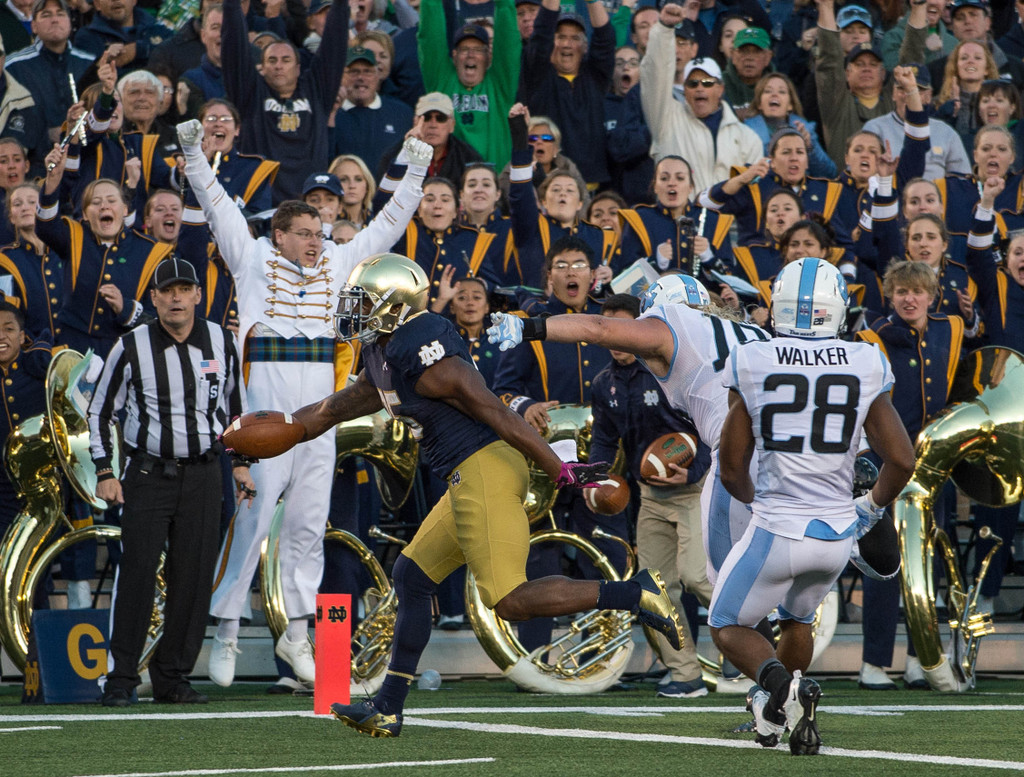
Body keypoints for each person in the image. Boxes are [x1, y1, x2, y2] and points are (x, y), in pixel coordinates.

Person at [270, 251, 684, 737]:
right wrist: (278, 429)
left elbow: (493, 408)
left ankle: (637, 595)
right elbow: (333, 407)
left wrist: (558, 467)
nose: (354, 311)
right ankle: (388, 707)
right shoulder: (384, 353)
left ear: (396, 306)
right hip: (468, 473)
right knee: (411, 577)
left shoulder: (424, 351)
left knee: (509, 600)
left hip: (484, 468)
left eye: (364, 302)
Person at [176, 117, 431, 688]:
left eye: (321, 233)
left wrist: (415, 168)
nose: (318, 242)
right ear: (280, 234)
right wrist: (192, 152)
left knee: (309, 528)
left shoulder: (341, 263)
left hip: (320, 413)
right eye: (307, 233)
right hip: (265, 407)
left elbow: (388, 226)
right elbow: (215, 203)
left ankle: (297, 634)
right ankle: (227, 629)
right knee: (253, 518)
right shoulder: (251, 257)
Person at [712, 257, 915, 754]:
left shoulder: (753, 356)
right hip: (836, 536)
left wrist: (757, 504)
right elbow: (902, 460)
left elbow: (731, 465)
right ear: (838, 309)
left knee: (725, 625)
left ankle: (783, 689)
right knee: (797, 620)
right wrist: (867, 509)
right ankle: (781, 717)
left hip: (778, 527)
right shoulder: (866, 359)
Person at [90, 256, 255, 707]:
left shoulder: (223, 341)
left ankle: (172, 677)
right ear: (155, 298)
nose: (177, 297)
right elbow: (99, 410)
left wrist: (240, 464)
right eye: (167, 290)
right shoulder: (131, 345)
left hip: (205, 474)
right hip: (147, 473)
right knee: (139, 574)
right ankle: (121, 678)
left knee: (194, 579)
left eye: (185, 289)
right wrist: (105, 470)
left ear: (199, 295)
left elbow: (235, 411)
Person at [590, 293, 714, 699]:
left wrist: (691, 470)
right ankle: (685, 674)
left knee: (698, 577)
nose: (616, 338)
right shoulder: (603, 383)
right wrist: (593, 479)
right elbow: (604, 443)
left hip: (695, 489)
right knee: (653, 589)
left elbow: (711, 427)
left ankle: (771, 633)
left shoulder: (669, 371)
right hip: (649, 494)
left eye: (625, 328)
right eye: (609, 329)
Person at [222, 0, 347, 203]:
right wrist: (231, 6)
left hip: (308, 204)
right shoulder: (250, 93)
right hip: (261, 204)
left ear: (298, 68)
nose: (278, 66)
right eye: (272, 60)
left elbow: (335, 44)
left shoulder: (317, 89)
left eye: (286, 60)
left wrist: (341, 5)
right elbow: (233, 47)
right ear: (261, 67)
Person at [641, 4, 762, 193]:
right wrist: (664, 29)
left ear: (720, 88)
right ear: (684, 90)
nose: (699, 88)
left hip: (727, 222)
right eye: (692, 83)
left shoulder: (747, 138)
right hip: (679, 220)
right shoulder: (666, 120)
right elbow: (654, 75)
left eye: (707, 82)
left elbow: (752, 195)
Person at [522, 0, 615, 188]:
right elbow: (541, 33)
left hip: (590, 187)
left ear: (585, 46)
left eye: (574, 38)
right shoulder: (537, 75)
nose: (567, 44)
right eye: (560, 37)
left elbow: (605, 38)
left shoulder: (595, 76)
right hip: (546, 185)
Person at [419, 0, 521, 171]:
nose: (470, 55)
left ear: (489, 56)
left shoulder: (500, 85)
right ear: (454, 55)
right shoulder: (442, 81)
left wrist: (504, 4)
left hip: (493, 185)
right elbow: (430, 36)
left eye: (478, 49)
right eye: (464, 49)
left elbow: (509, 39)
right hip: (451, 186)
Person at [4, 0, 93, 147]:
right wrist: (46, 134)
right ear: (33, 25)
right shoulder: (13, 66)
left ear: (70, 23)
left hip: (84, 154)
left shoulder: (88, 63)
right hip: (32, 158)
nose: (54, 20)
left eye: (60, 14)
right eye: (46, 15)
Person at [862, 62, 970, 180]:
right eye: (902, 89)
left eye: (918, 90)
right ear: (893, 94)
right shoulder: (874, 129)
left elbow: (963, 180)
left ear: (928, 96)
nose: (909, 95)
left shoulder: (946, 132)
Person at [329, 46, 413, 176]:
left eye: (367, 71)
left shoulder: (402, 114)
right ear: (341, 76)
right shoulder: (329, 115)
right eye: (353, 72)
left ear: (378, 75)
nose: (361, 78)